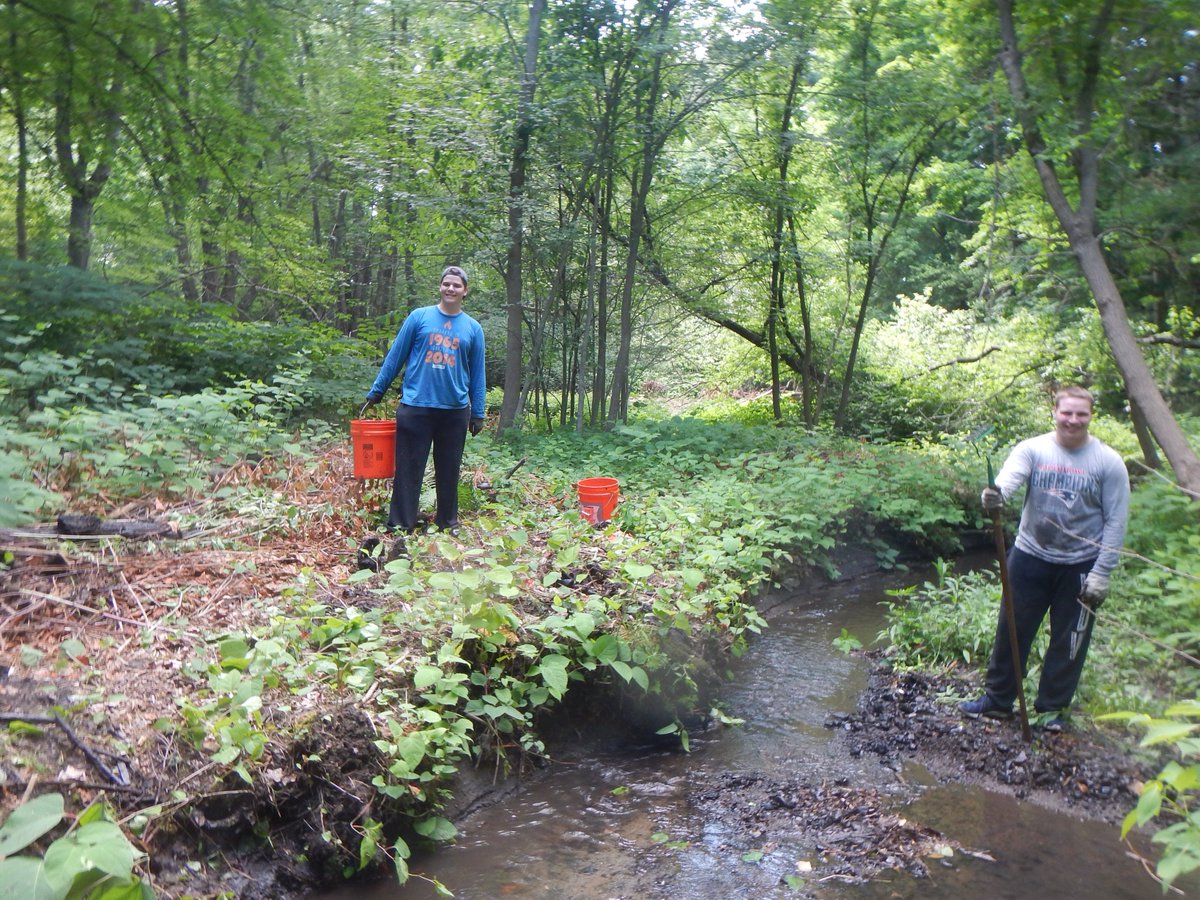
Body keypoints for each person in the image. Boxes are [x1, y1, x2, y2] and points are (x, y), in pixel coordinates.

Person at [960, 386, 1130, 731]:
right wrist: (994, 496)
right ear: (1054, 411)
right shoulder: (1032, 449)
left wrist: (1102, 573)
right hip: (1030, 557)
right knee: (1011, 629)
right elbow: (1007, 482)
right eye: (1067, 412)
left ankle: (1052, 710)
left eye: (1081, 413)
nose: (1073, 419)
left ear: (1090, 416)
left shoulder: (1108, 462)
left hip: (1081, 564)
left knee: (1070, 641)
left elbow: (1117, 520)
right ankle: (997, 702)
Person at [361, 266, 486, 535]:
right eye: (446, 284)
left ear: (465, 291)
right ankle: (400, 524)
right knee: (408, 469)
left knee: (449, 470)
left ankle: (447, 522)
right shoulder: (420, 318)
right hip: (416, 406)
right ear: (440, 287)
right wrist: (377, 390)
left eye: (456, 285)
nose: (450, 289)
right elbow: (396, 356)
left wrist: (479, 412)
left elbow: (477, 373)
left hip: (454, 411)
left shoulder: (473, 329)